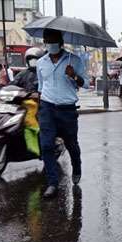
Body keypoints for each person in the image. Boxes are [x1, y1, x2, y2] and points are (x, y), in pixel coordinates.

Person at [36, 29, 87, 198]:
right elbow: (41, 88)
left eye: (53, 41)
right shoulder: (41, 63)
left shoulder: (74, 60)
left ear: (61, 42)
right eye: (47, 41)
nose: (50, 44)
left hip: (67, 110)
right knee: (46, 146)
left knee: (72, 144)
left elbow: (85, 83)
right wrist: (39, 108)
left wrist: (74, 76)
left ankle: (77, 166)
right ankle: (52, 183)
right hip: (47, 108)